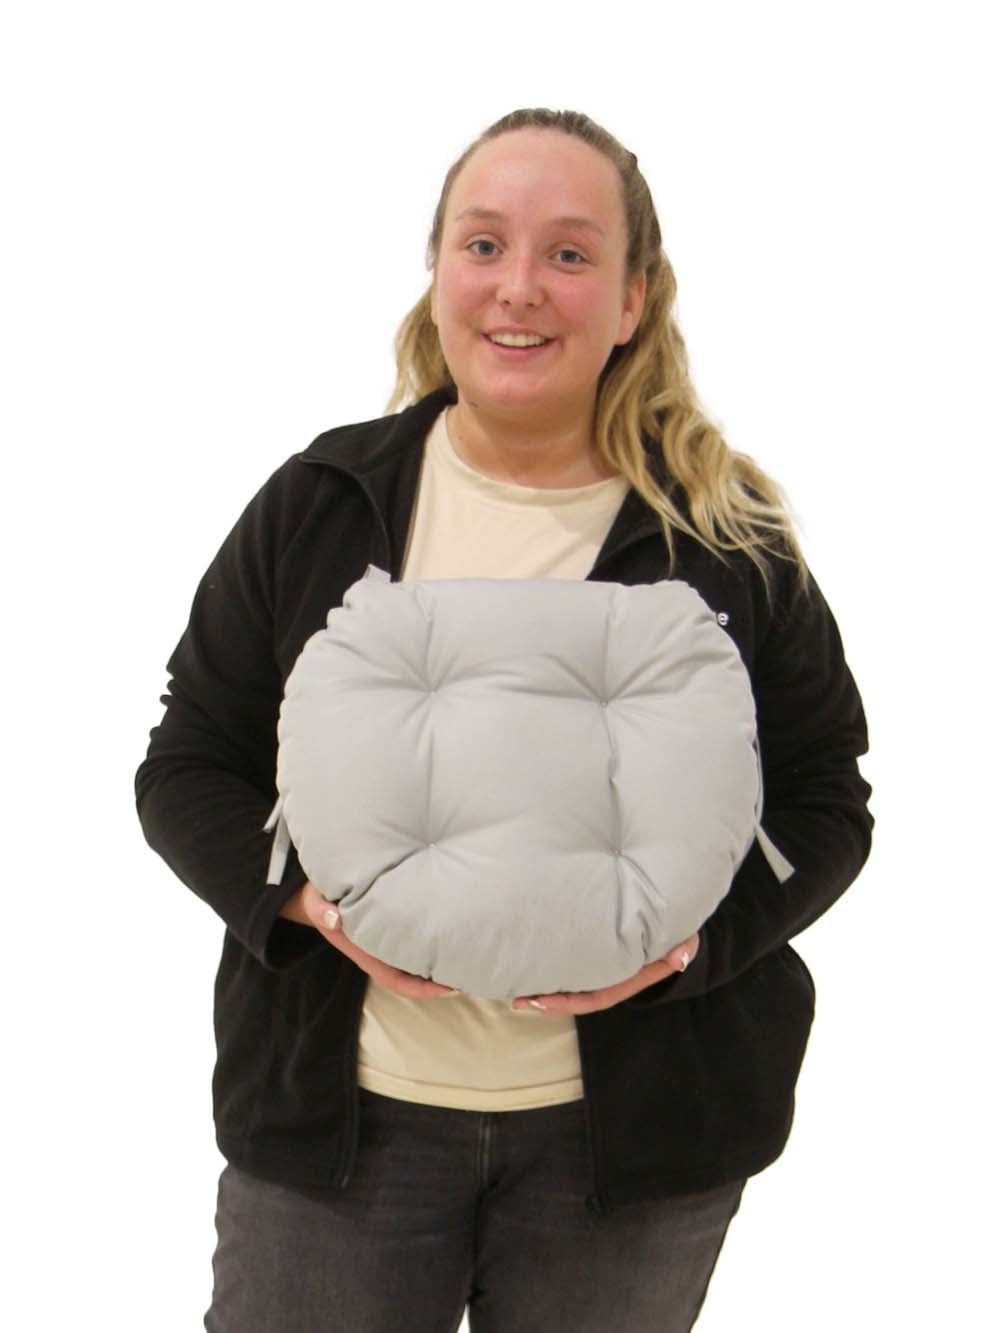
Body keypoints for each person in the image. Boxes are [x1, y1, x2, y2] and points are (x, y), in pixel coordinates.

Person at [135, 107, 873, 1333]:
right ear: (437, 274)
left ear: (632, 299)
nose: (518, 286)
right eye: (483, 244)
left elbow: (824, 799)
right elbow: (188, 759)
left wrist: (693, 947)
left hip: (633, 1154)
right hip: (339, 1131)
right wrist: (304, 904)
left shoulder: (722, 535)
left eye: (569, 253)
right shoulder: (324, 502)